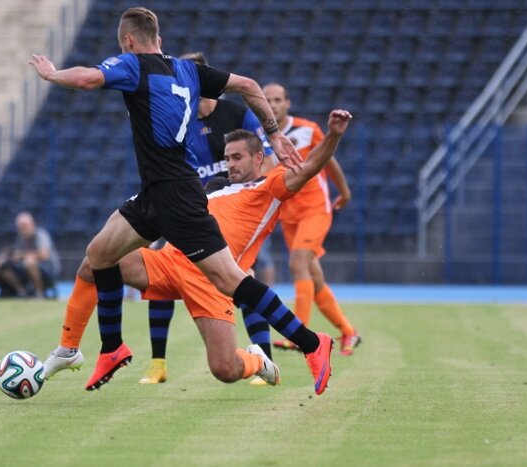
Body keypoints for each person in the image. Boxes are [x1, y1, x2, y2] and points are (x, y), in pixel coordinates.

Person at [30, 7, 334, 396]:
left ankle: (312, 343)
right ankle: (108, 347)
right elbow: (248, 84)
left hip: (176, 194)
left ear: (128, 41)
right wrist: (274, 133)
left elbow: (88, 78)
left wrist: (52, 74)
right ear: (158, 38)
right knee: (98, 255)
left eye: (122, 45)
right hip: (155, 192)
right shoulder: (189, 70)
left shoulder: (133, 64)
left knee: (230, 280)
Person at [43, 112, 351, 396]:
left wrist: (333, 135)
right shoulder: (213, 187)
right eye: (227, 158)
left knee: (225, 369)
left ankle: (259, 361)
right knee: (95, 262)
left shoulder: (270, 187)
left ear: (258, 158)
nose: (230, 164)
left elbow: (309, 167)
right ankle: (69, 349)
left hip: (213, 281)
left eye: (238, 157)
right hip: (169, 261)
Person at [141, 51, 277, 386]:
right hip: (190, 212)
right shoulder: (179, 120)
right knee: (161, 275)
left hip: (233, 212)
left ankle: (265, 359)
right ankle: (158, 364)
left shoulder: (237, 115)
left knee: (244, 279)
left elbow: (267, 162)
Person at [263, 83, 361, 355]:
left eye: (277, 99)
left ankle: (299, 333)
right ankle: (349, 332)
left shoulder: (308, 129)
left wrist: (344, 192)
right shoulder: (260, 137)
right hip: (288, 213)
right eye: (267, 100)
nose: (273, 104)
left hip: (315, 208)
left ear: (287, 103)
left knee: (297, 264)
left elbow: (329, 160)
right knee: (314, 278)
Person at [0, 212, 60, 298]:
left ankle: (39, 293)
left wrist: (22, 255)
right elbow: (16, 255)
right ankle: (21, 292)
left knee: (29, 261)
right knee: (2, 264)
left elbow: (44, 255)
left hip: (48, 269)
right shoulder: (21, 238)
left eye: (25, 225)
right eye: (20, 226)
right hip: (26, 268)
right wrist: (7, 258)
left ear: (32, 224)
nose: (23, 228)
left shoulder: (41, 235)